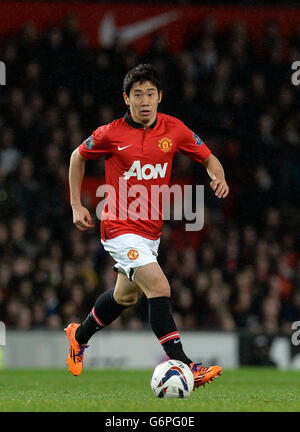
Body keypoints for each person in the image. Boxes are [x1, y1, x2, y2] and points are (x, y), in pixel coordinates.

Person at [65, 64, 229, 389]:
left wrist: (218, 176)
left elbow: (209, 157)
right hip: (117, 226)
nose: (144, 100)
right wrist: (76, 205)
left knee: (124, 297)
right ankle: (185, 364)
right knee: (159, 287)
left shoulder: (175, 130)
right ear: (126, 98)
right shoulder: (110, 133)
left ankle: (78, 336)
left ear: (159, 97)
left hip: (150, 233)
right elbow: (76, 157)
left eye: (150, 94)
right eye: (137, 94)